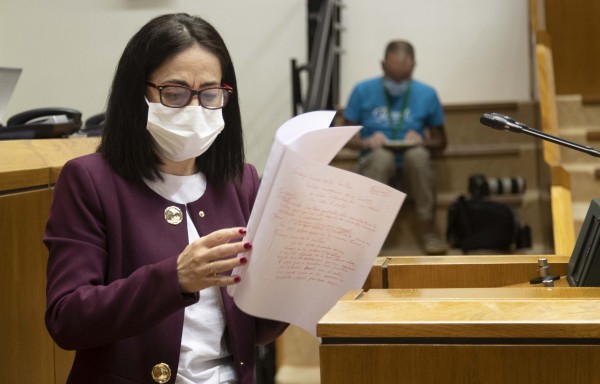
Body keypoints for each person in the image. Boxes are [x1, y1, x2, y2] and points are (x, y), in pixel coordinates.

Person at [43, 13, 287, 384]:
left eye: (209, 94)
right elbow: (67, 319)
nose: (194, 109)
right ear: (137, 93)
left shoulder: (240, 180)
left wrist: (298, 283)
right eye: (173, 93)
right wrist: (174, 278)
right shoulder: (90, 180)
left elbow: (256, 330)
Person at [342, 40, 448, 255]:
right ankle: (368, 234)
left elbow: (442, 141)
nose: (398, 80)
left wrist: (422, 140)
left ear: (413, 66)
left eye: (404, 75)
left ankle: (428, 230)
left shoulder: (427, 94)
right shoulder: (362, 90)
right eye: (393, 74)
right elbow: (344, 137)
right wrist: (365, 142)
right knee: (382, 158)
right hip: (375, 161)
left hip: (411, 163)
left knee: (417, 156)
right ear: (382, 65)